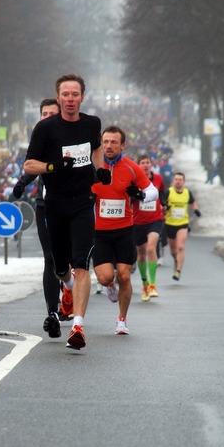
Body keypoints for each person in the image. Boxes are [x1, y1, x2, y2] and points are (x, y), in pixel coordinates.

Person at [24, 73, 111, 350]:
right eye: (65, 95)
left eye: (75, 95)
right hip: (55, 204)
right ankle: (68, 284)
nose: (70, 99)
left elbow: (95, 149)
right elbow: (29, 166)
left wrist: (100, 170)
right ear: (58, 97)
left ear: (82, 97)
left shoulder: (92, 123)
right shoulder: (46, 129)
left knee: (82, 264)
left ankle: (77, 326)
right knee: (60, 267)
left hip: (83, 202)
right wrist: (53, 167)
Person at [92, 127, 158, 335]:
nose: (109, 146)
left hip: (124, 230)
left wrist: (140, 194)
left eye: (113, 142)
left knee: (125, 276)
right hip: (99, 231)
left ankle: (122, 320)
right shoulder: (94, 166)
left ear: (122, 145)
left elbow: (153, 191)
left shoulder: (130, 167)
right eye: (106, 142)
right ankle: (109, 286)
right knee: (105, 277)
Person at [13, 99, 67, 339]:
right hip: (46, 205)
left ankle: (73, 294)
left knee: (72, 259)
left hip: (74, 204)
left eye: (51, 113)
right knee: (51, 259)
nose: (46, 117)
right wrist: (22, 183)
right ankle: (52, 313)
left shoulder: (71, 135)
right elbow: (32, 165)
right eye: (43, 113)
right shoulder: (40, 138)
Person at [133, 153, 166, 301]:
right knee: (140, 254)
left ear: (151, 165)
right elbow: (129, 197)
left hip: (155, 219)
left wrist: (164, 204)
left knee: (151, 248)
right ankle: (144, 283)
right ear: (138, 166)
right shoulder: (133, 180)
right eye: (142, 163)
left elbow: (162, 193)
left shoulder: (158, 179)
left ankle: (153, 285)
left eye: (147, 163)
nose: (145, 165)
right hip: (138, 221)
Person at [164, 172, 201, 281]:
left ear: (183, 182)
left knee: (180, 246)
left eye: (180, 179)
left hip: (183, 223)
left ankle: (178, 270)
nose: (178, 181)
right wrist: (166, 208)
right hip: (170, 223)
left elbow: (193, 202)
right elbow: (162, 204)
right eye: (176, 179)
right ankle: (176, 260)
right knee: (173, 250)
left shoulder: (187, 193)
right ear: (173, 181)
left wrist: (196, 210)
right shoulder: (168, 192)